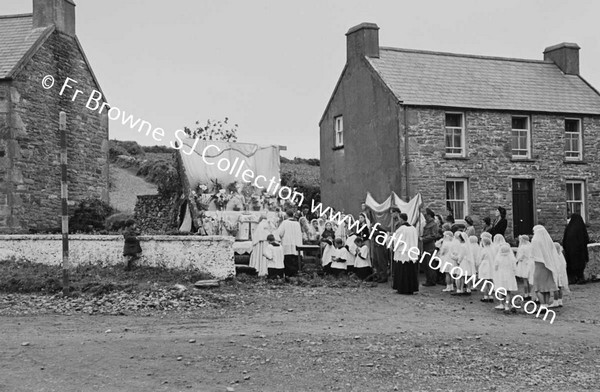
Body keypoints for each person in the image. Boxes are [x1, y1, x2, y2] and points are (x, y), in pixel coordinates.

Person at [530, 225, 559, 309]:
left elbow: (532, 254)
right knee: (546, 288)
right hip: (548, 265)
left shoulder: (535, 240)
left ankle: (542, 305)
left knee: (537, 287)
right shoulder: (548, 241)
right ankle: (546, 304)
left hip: (539, 264)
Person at [391, 213, 420, 295]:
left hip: (403, 252)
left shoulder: (401, 229)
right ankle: (411, 288)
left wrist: (393, 246)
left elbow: (398, 241)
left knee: (403, 271)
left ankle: (403, 288)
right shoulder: (413, 229)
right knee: (410, 270)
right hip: (411, 251)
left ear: (401, 219)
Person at [562, 213, 590, 284]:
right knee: (580, 265)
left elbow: (564, 240)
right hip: (580, 251)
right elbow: (586, 239)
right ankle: (580, 278)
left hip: (570, 251)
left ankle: (572, 279)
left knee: (571, 265)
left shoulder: (569, 228)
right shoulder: (581, 227)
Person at [274, 209, 303, 277]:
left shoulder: (285, 222)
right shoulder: (297, 223)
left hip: (287, 244)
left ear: (286, 215)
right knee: (295, 261)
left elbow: (280, 233)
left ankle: (288, 275)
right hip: (296, 245)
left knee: (288, 261)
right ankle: (294, 275)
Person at [494, 244, 519, 312]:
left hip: (501, 275)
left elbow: (495, 267)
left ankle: (501, 304)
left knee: (500, 290)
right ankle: (507, 306)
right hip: (509, 275)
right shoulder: (511, 258)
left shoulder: (498, 258)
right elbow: (514, 268)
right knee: (508, 291)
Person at [421, 208, 440, 286]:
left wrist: (424, 239)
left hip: (430, 246)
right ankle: (428, 279)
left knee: (430, 263)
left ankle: (432, 280)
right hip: (425, 245)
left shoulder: (433, 224)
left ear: (429, 215)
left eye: (426, 215)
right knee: (425, 263)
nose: (425, 217)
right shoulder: (427, 224)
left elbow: (434, 235)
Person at [550, 243, 570, 308]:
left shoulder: (553, 255)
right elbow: (564, 264)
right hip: (560, 273)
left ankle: (555, 301)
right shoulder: (560, 254)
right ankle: (560, 300)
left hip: (556, 273)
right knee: (560, 288)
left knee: (555, 288)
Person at [515, 235, 534, 300]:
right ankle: (530, 293)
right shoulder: (531, 246)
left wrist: (517, 260)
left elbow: (520, 256)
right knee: (529, 279)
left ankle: (526, 294)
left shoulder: (522, 247)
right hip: (530, 263)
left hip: (523, 263)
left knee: (525, 280)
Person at [478, 236, 494, 302]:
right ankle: (490, 296)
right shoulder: (492, 249)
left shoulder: (484, 250)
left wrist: (479, 264)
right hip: (491, 265)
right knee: (490, 281)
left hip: (485, 265)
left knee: (485, 281)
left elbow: (480, 259)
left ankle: (485, 296)